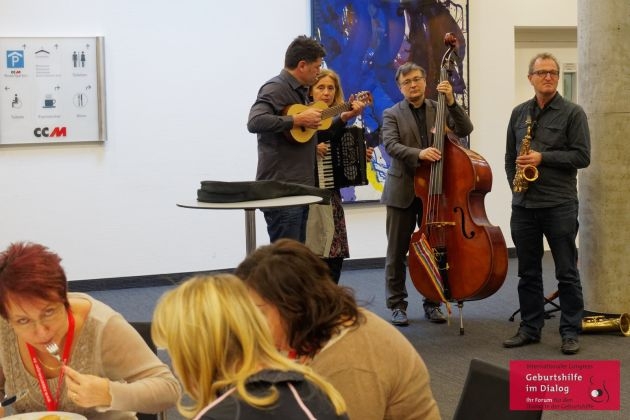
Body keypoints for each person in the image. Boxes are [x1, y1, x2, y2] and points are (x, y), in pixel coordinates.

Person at [234, 239, 441, 420]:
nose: (250, 324)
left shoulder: (348, 364)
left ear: (293, 307)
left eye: (258, 312)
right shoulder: (320, 328)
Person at [0, 242, 180, 419]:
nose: (42, 332)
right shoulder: (3, 328)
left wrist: (109, 394)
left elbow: (169, 389)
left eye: (49, 312)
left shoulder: (102, 326)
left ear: (64, 299)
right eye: (23, 321)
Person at [150, 273, 348, 420]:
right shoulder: (314, 390)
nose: (174, 367)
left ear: (195, 351)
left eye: (174, 352)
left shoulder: (221, 415)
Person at [503, 52, 590, 355]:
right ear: (530, 78)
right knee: (527, 272)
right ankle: (530, 328)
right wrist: (516, 186)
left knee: (566, 271)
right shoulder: (518, 113)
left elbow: (582, 156)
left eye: (553, 72)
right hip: (524, 206)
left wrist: (543, 158)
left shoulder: (573, 113)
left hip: (559, 204)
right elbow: (509, 157)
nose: (548, 77)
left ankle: (570, 331)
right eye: (541, 73)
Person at [381, 62, 474, 326]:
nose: (413, 84)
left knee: (434, 249)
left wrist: (452, 101)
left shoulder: (440, 107)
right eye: (407, 82)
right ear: (400, 87)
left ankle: (432, 302)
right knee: (396, 252)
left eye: (417, 79)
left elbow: (465, 129)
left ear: (425, 81)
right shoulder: (391, 114)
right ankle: (397, 305)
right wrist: (419, 153)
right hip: (402, 192)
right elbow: (391, 145)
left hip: (434, 192)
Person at [247, 35, 326, 244]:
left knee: (296, 255)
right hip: (282, 191)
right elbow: (254, 121)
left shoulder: (301, 92)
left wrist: (343, 116)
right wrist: (296, 120)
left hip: (299, 188)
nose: (319, 72)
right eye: (317, 67)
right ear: (302, 65)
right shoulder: (275, 88)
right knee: (286, 257)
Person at [305, 68, 372, 283]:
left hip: (331, 196)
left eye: (331, 88)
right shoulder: (301, 118)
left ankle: (331, 296)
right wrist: (311, 149)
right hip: (308, 196)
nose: (326, 93)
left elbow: (342, 161)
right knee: (313, 256)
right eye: (321, 87)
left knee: (334, 257)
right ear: (310, 91)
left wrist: (360, 156)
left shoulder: (336, 120)